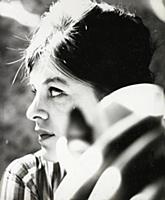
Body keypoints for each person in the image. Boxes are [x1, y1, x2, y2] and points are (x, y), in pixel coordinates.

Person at [0, 0, 165, 199]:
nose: (32, 112)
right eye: (36, 91)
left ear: (118, 98)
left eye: (55, 91)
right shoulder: (29, 178)